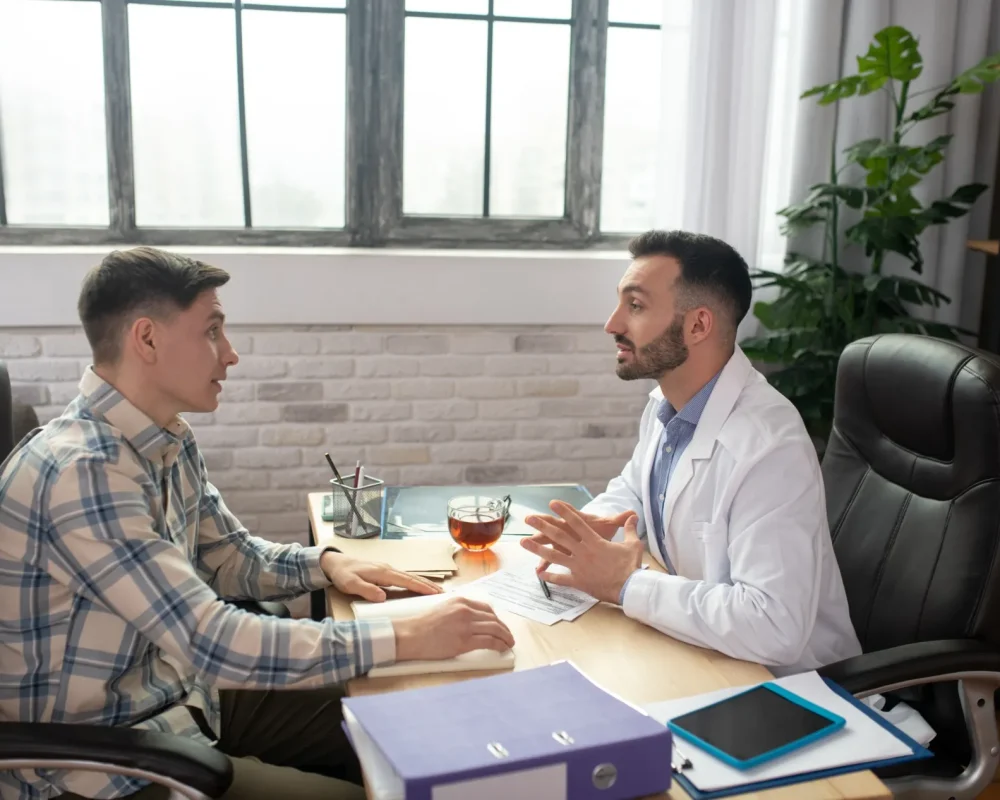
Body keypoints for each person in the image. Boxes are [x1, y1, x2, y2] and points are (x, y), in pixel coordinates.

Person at [0, 246, 515, 800]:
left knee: (414, 728)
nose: (231, 355)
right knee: (378, 788)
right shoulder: (84, 472)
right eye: (212, 331)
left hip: (185, 695)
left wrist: (330, 564)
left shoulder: (162, 438)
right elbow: (211, 639)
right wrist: (407, 633)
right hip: (100, 760)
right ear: (146, 339)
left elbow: (228, 557)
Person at [521, 230, 860, 675]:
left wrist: (626, 584)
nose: (613, 324)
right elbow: (637, 492)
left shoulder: (769, 447)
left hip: (788, 687)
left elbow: (775, 625)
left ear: (698, 325)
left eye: (635, 306)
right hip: (700, 656)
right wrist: (598, 527)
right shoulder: (668, 404)